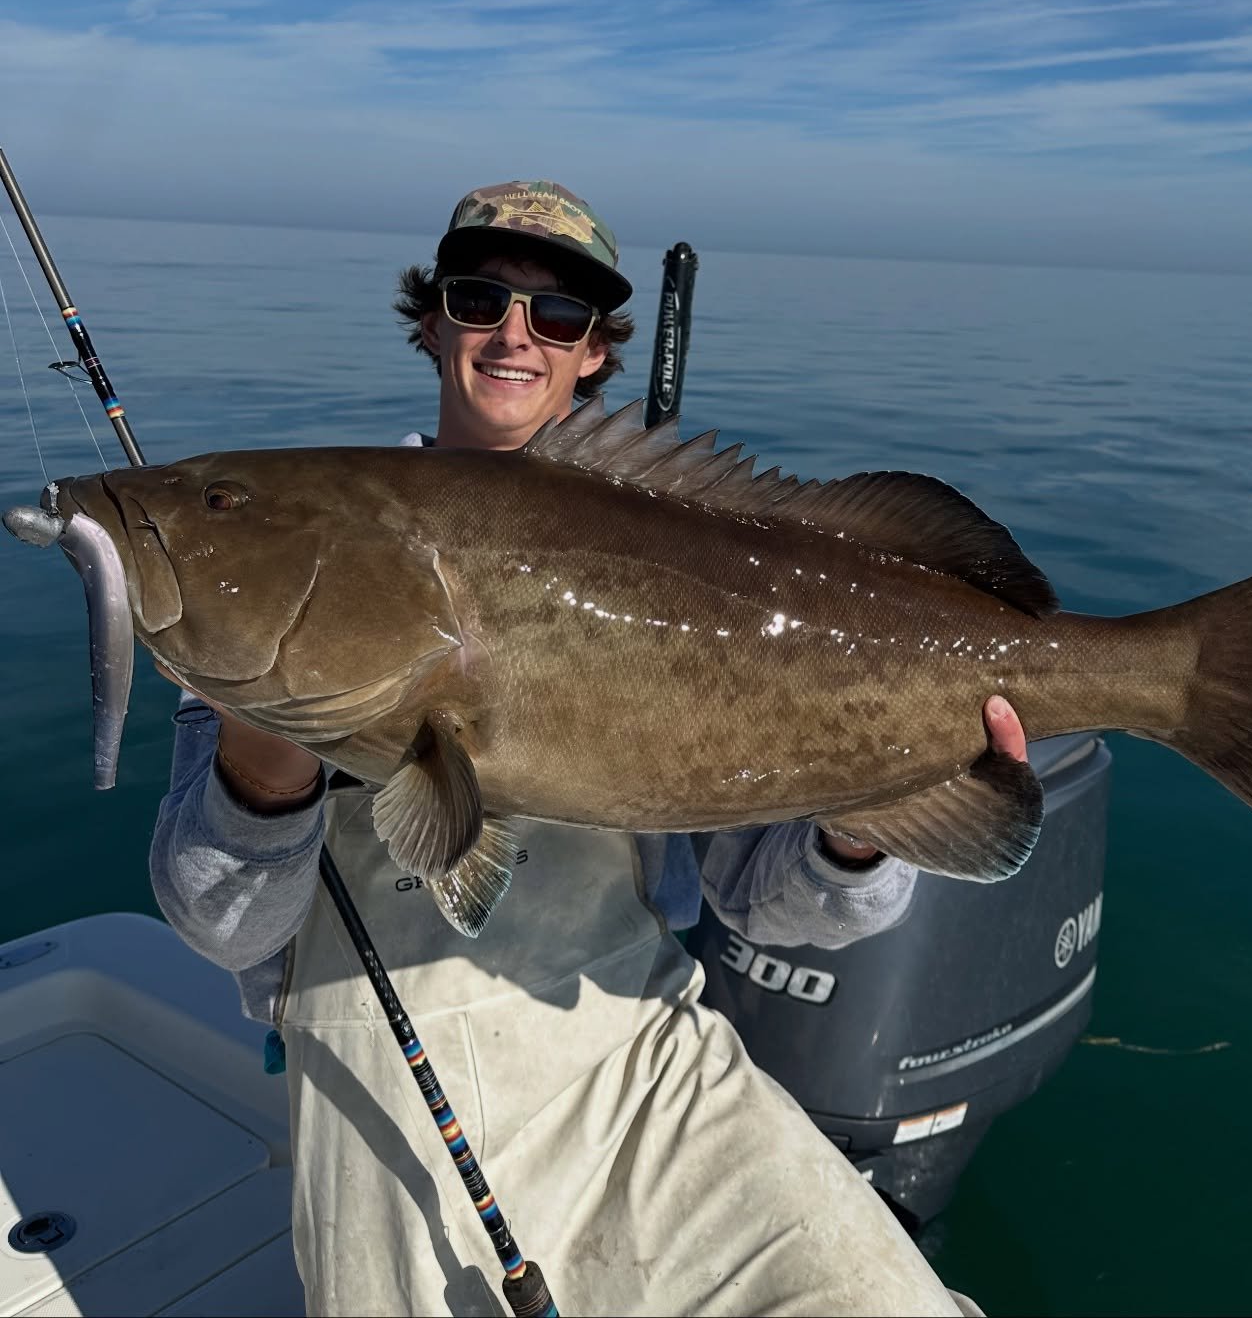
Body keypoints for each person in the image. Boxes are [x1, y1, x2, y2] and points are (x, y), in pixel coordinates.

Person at [151, 181, 1029, 1317]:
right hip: (392, 1101)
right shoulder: (293, 563)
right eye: (480, 298)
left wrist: (864, 819)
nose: (516, 334)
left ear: (597, 357)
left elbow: (766, 909)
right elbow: (222, 926)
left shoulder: (703, 546)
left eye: (557, 316)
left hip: (643, 1051)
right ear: (432, 322)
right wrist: (263, 763)